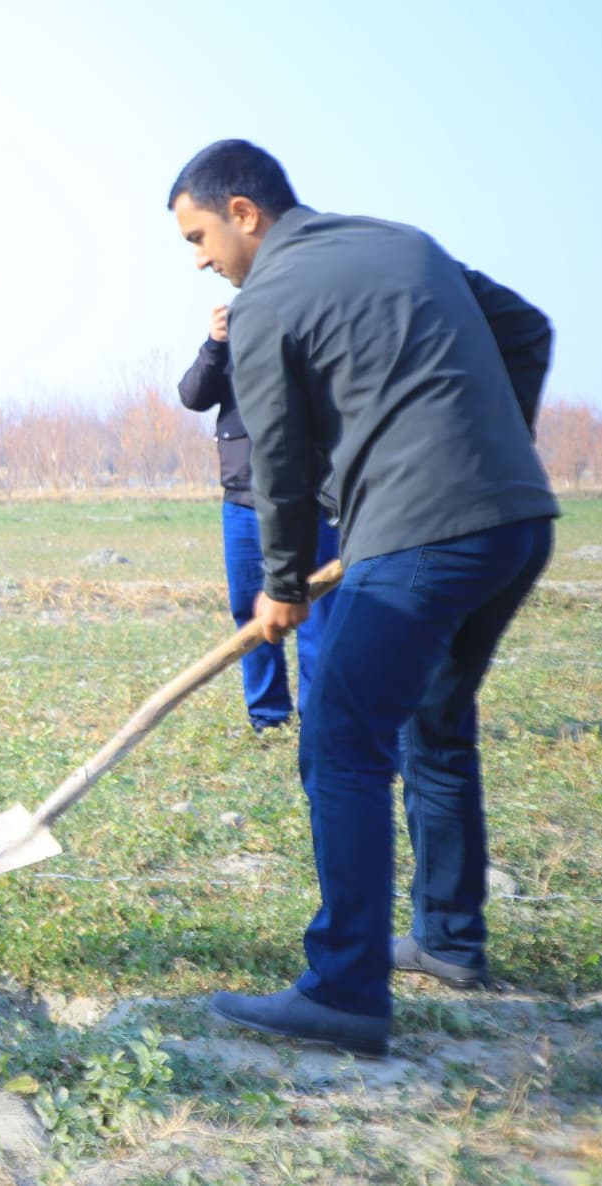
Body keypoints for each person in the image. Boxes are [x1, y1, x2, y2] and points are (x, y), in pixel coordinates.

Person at [165, 140, 556, 1058]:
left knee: (341, 744)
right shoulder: (402, 242)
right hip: (515, 525)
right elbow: (528, 330)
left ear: (244, 212)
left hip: (419, 539)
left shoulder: (266, 301)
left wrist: (282, 585)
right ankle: (449, 941)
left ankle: (344, 992)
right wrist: (493, 450)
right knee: (434, 721)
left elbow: (279, 458)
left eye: (199, 237)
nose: (201, 261)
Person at [178, 303, 339, 732]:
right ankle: (267, 717)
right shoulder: (232, 338)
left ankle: (318, 718)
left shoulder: (312, 329)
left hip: (309, 500)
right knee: (249, 608)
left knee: (318, 611)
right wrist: (215, 343)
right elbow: (193, 395)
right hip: (243, 500)